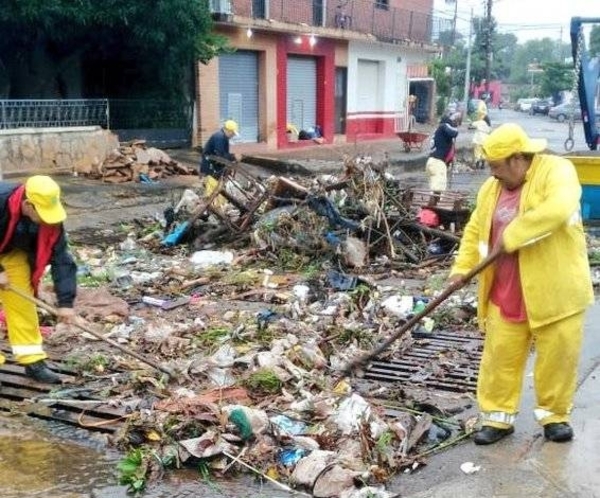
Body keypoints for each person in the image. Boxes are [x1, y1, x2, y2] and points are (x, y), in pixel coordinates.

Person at [448, 123, 593, 445]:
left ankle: (554, 416)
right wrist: (460, 268)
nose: (493, 173)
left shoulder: (557, 170)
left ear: (517, 158)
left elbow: (558, 208)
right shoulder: (491, 189)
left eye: (496, 166)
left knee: (558, 357)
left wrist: (512, 235)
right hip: (507, 288)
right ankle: (497, 418)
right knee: (499, 357)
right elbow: (475, 230)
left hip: (556, 288)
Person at [0, 175, 78, 384]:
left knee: (22, 303)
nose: (47, 220)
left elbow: (62, 259)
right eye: (42, 214)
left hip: (9, 251)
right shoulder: (1, 200)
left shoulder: (50, 221)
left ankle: (32, 360)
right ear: (27, 205)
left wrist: (66, 303)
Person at [199, 120, 239, 205]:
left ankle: (216, 205)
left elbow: (223, 156)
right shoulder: (219, 137)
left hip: (215, 165)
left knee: (216, 188)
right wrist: (234, 157)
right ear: (228, 130)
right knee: (212, 189)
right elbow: (220, 156)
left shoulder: (224, 138)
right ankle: (211, 206)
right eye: (233, 133)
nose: (233, 135)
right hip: (210, 166)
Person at [425, 114, 459, 193]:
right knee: (437, 192)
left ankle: (432, 204)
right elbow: (454, 133)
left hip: (431, 162)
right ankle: (433, 204)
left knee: (434, 190)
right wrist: (455, 127)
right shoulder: (444, 126)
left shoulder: (438, 132)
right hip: (438, 163)